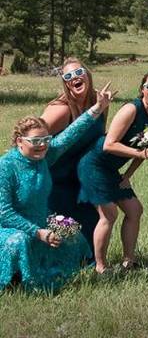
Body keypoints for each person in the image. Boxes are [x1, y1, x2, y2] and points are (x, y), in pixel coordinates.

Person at [1, 83, 115, 291]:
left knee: (73, 234)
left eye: (46, 139)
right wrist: (38, 232)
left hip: (41, 218)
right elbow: (4, 212)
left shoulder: (46, 155)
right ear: (19, 141)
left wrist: (98, 108)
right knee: (18, 242)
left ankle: (64, 274)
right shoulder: (6, 166)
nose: (42, 144)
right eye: (36, 140)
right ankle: (15, 282)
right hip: (10, 228)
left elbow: (71, 133)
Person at [77, 70, 148, 273]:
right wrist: (140, 152)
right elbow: (109, 145)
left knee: (135, 210)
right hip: (93, 164)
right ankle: (100, 267)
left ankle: (129, 262)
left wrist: (127, 176)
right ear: (142, 89)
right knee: (109, 214)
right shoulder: (131, 109)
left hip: (112, 169)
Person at [40, 57, 107, 252]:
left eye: (79, 72)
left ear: (87, 74)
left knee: (90, 232)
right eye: (68, 75)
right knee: (62, 239)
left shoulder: (99, 102)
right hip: (54, 182)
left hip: (79, 179)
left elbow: (98, 137)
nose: (74, 78)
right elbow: (31, 134)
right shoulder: (60, 110)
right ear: (64, 81)